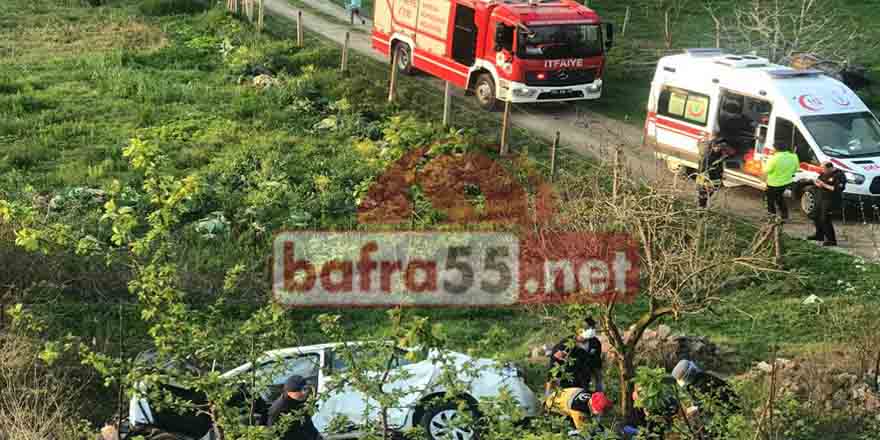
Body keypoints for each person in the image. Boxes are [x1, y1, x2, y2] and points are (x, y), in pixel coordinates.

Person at [671, 360, 739, 439]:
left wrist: (692, 410)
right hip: (726, 409)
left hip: (726, 413)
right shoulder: (701, 378)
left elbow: (705, 407)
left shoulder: (702, 385)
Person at [546, 318, 603, 394]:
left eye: (592, 328)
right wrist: (547, 395)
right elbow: (552, 373)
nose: (590, 330)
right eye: (587, 328)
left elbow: (597, 366)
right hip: (567, 387)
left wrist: (599, 388)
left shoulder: (595, 343)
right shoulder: (564, 346)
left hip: (584, 385)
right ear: (577, 329)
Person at [268, 375, 320, 440]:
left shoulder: (302, 400)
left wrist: (317, 437)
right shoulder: (277, 410)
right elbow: (274, 434)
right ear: (289, 392)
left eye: (305, 389)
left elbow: (308, 424)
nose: (304, 393)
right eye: (299, 391)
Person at [808, 162, 846, 246]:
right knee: (815, 216)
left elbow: (836, 189)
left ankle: (831, 240)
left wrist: (823, 185)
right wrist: (816, 183)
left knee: (825, 219)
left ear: (829, 168)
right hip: (820, 198)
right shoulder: (824, 173)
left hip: (831, 200)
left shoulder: (839, 175)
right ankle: (819, 234)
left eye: (823, 169)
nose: (822, 171)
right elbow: (820, 181)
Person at [544, 388, 612, 434]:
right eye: (600, 411)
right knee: (571, 430)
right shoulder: (578, 409)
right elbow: (581, 429)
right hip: (553, 405)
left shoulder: (593, 395)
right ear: (594, 408)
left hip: (564, 394)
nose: (601, 413)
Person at [764, 144, 800, 220]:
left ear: (776, 149)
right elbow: (796, 169)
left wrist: (765, 162)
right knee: (779, 198)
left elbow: (767, 170)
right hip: (786, 182)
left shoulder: (774, 158)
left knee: (770, 200)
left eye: (772, 148)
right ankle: (784, 215)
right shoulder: (794, 156)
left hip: (773, 183)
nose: (771, 150)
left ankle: (772, 216)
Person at [697, 138, 729, 209]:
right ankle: (701, 207)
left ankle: (702, 206)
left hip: (713, 177)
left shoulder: (719, 153)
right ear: (712, 146)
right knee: (704, 193)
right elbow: (705, 166)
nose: (717, 148)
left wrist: (721, 174)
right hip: (705, 177)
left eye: (719, 147)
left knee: (708, 193)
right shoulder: (708, 156)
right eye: (716, 147)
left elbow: (720, 165)